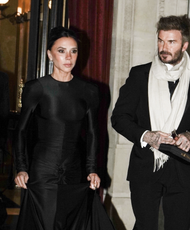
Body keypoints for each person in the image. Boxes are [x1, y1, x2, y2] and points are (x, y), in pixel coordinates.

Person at [111, 15, 190, 230]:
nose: (164, 47)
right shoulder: (139, 74)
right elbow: (119, 118)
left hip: (183, 166)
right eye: (161, 40)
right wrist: (146, 135)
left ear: (185, 45)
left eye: (171, 42)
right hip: (145, 165)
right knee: (144, 226)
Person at [14, 26, 114, 230]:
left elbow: (95, 133)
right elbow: (21, 131)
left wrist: (92, 170)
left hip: (75, 173)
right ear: (50, 54)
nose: (68, 57)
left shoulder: (90, 91)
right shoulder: (36, 88)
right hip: (42, 171)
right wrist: (21, 167)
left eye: (73, 51)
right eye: (61, 51)